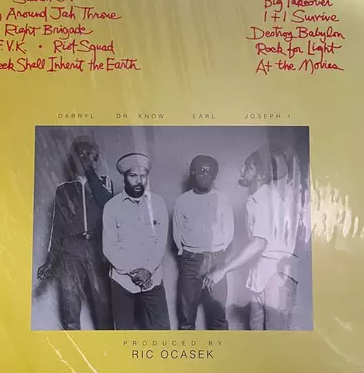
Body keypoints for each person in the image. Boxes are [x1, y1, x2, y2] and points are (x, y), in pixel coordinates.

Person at [204, 148, 301, 330]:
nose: (241, 170)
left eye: (248, 167)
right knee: (256, 331)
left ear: (261, 175)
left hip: (277, 276)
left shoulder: (268, 200)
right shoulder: (255, 200)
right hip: (259, 276)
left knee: (275, 335)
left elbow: (259, 243)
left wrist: (222, 271)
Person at [37, 136, 114, 330]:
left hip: (97, 249)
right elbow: (57, 228)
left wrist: (89, 172)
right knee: (69, 307)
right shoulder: (63, 190)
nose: (87, 160)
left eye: (92, 156)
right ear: (74, 160)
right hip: (70, 251)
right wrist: (50, 260)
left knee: (103, 308)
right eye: (82, 156)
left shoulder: (104, 183)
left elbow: (105, 201)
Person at [102, 152, 170, 330]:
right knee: (123, 333)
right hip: (122, 281)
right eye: (133, 176)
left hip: (153, 279)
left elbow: (161, 242)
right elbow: (109, 247)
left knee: (163, 330)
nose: (139, 181)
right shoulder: (111, 207)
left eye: (143, 175)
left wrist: (148, 270)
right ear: (124, 177)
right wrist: (135, 273)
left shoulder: (158, 203)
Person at [173, 155, 234, 330]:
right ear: (193, 173)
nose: (206, 175)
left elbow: (229, 230)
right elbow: (177, 230)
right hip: (190, 261)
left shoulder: (222, 199)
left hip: (216, 261)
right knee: (187, 316)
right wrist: (185, 252)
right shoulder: (182, 200)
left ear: (215, 175)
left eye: (210, 172)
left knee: (218, 315)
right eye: (201, 171)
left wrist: (218, 252)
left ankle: (220, 348)